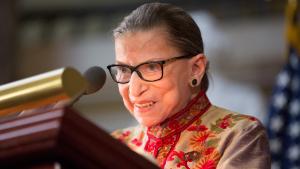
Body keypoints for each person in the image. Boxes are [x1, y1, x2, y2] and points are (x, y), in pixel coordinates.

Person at [107, 2, 271, 169]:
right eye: (123, 69)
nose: (134, 90)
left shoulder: (238, 135)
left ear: (195, 69)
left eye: (152, 67)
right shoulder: (115, 145)